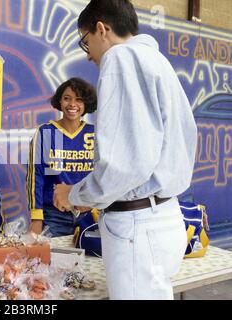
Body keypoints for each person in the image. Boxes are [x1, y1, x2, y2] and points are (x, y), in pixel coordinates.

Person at [53, 0, 198, 299]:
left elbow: (125, 166)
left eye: (86, 41)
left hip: (137, 225)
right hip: (166, 214)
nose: (89, 54)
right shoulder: (158, 62)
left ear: (102, 29)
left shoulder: (120, 58)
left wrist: (76, 194)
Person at [26, 77, 97, 237]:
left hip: (89, 213)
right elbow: (35, 176)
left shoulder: (95, 133)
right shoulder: (45, 132)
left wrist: (95, 203)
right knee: (54, 261)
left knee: (91, 260)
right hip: (54, 215)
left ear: (86, 104)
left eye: (79, 100)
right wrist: (36, 218)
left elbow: (103, 174)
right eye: (67, 99)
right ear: (59, 101)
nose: (72, 104)